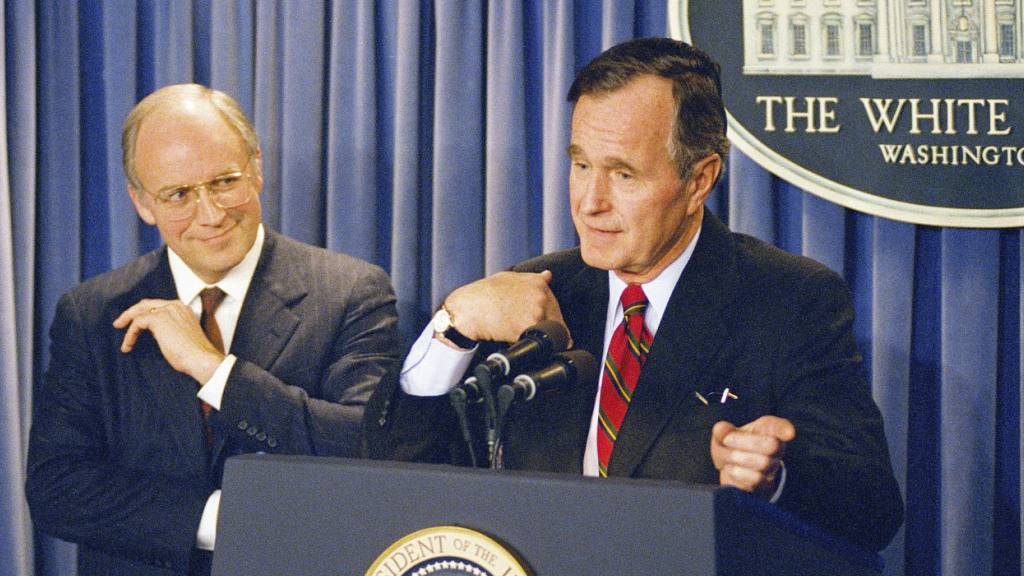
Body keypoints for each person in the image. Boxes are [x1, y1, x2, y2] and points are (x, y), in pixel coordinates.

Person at [365, 38, 903, 552]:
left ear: (699, 181)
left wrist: (778, 476)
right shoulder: (534, 291)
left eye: (623, 174)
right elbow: (395, 470)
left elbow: (872, 508)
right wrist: (450, 330)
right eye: (581, 165)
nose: (590, 202)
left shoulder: (787, 299)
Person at [26, 84, 400, 575]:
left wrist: (215, 370)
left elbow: (368, 449)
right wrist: (221, 519)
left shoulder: (352, 291)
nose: (210, 214)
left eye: (225, 181)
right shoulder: (92, 311)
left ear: (258, 168)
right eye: (178, 194)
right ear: (142, 203)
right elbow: (57, 487)